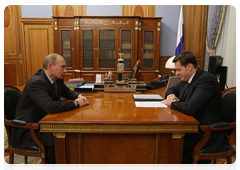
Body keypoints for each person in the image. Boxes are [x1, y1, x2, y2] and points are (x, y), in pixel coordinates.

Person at [10, 53, 89, 170]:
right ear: (50, 66)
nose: (65, 71)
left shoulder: (56, 79)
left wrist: (80, 96)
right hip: (28, 128)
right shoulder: (37, 82)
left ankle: (70, 164)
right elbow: (51, 107)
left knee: (67, 133)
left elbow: (67, 92)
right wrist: (76, 103)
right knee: (58, 138)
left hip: (44, 121)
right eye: (62, 67)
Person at [161, 51, 225, 170]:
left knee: (171, 143)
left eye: (179, 70)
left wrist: (173, 102)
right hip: (193, 125)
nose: (177, 73)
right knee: (167, 140)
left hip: (206, 130)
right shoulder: (188, 79)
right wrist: (171, 97)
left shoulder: (206, 81)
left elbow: (190, 108)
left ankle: (195, 167)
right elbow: (171, 89)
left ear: (189, 67)